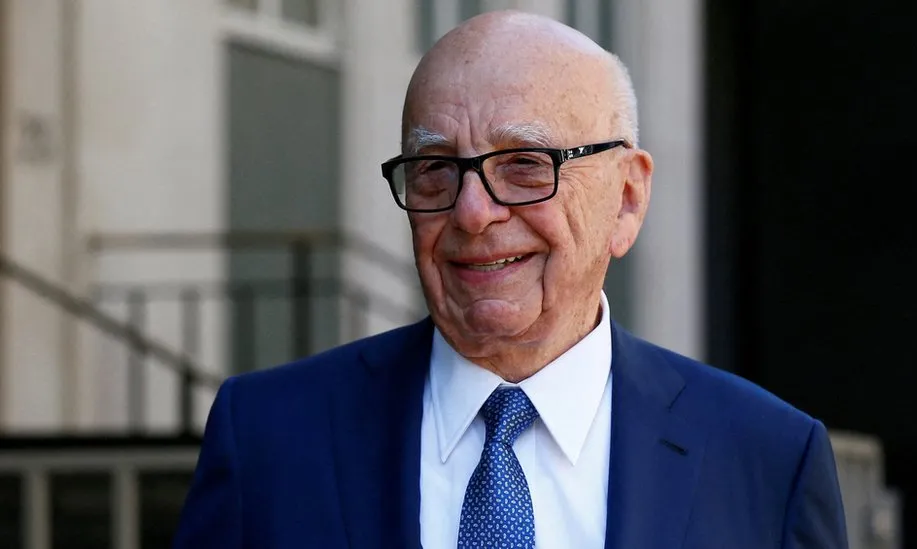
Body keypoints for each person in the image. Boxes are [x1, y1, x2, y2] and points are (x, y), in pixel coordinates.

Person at [173, 10, 847, 549]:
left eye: (525, 164)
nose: (473, 212)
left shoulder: (766, 458)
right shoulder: (269, 438)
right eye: (435, 169)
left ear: (626, 198)